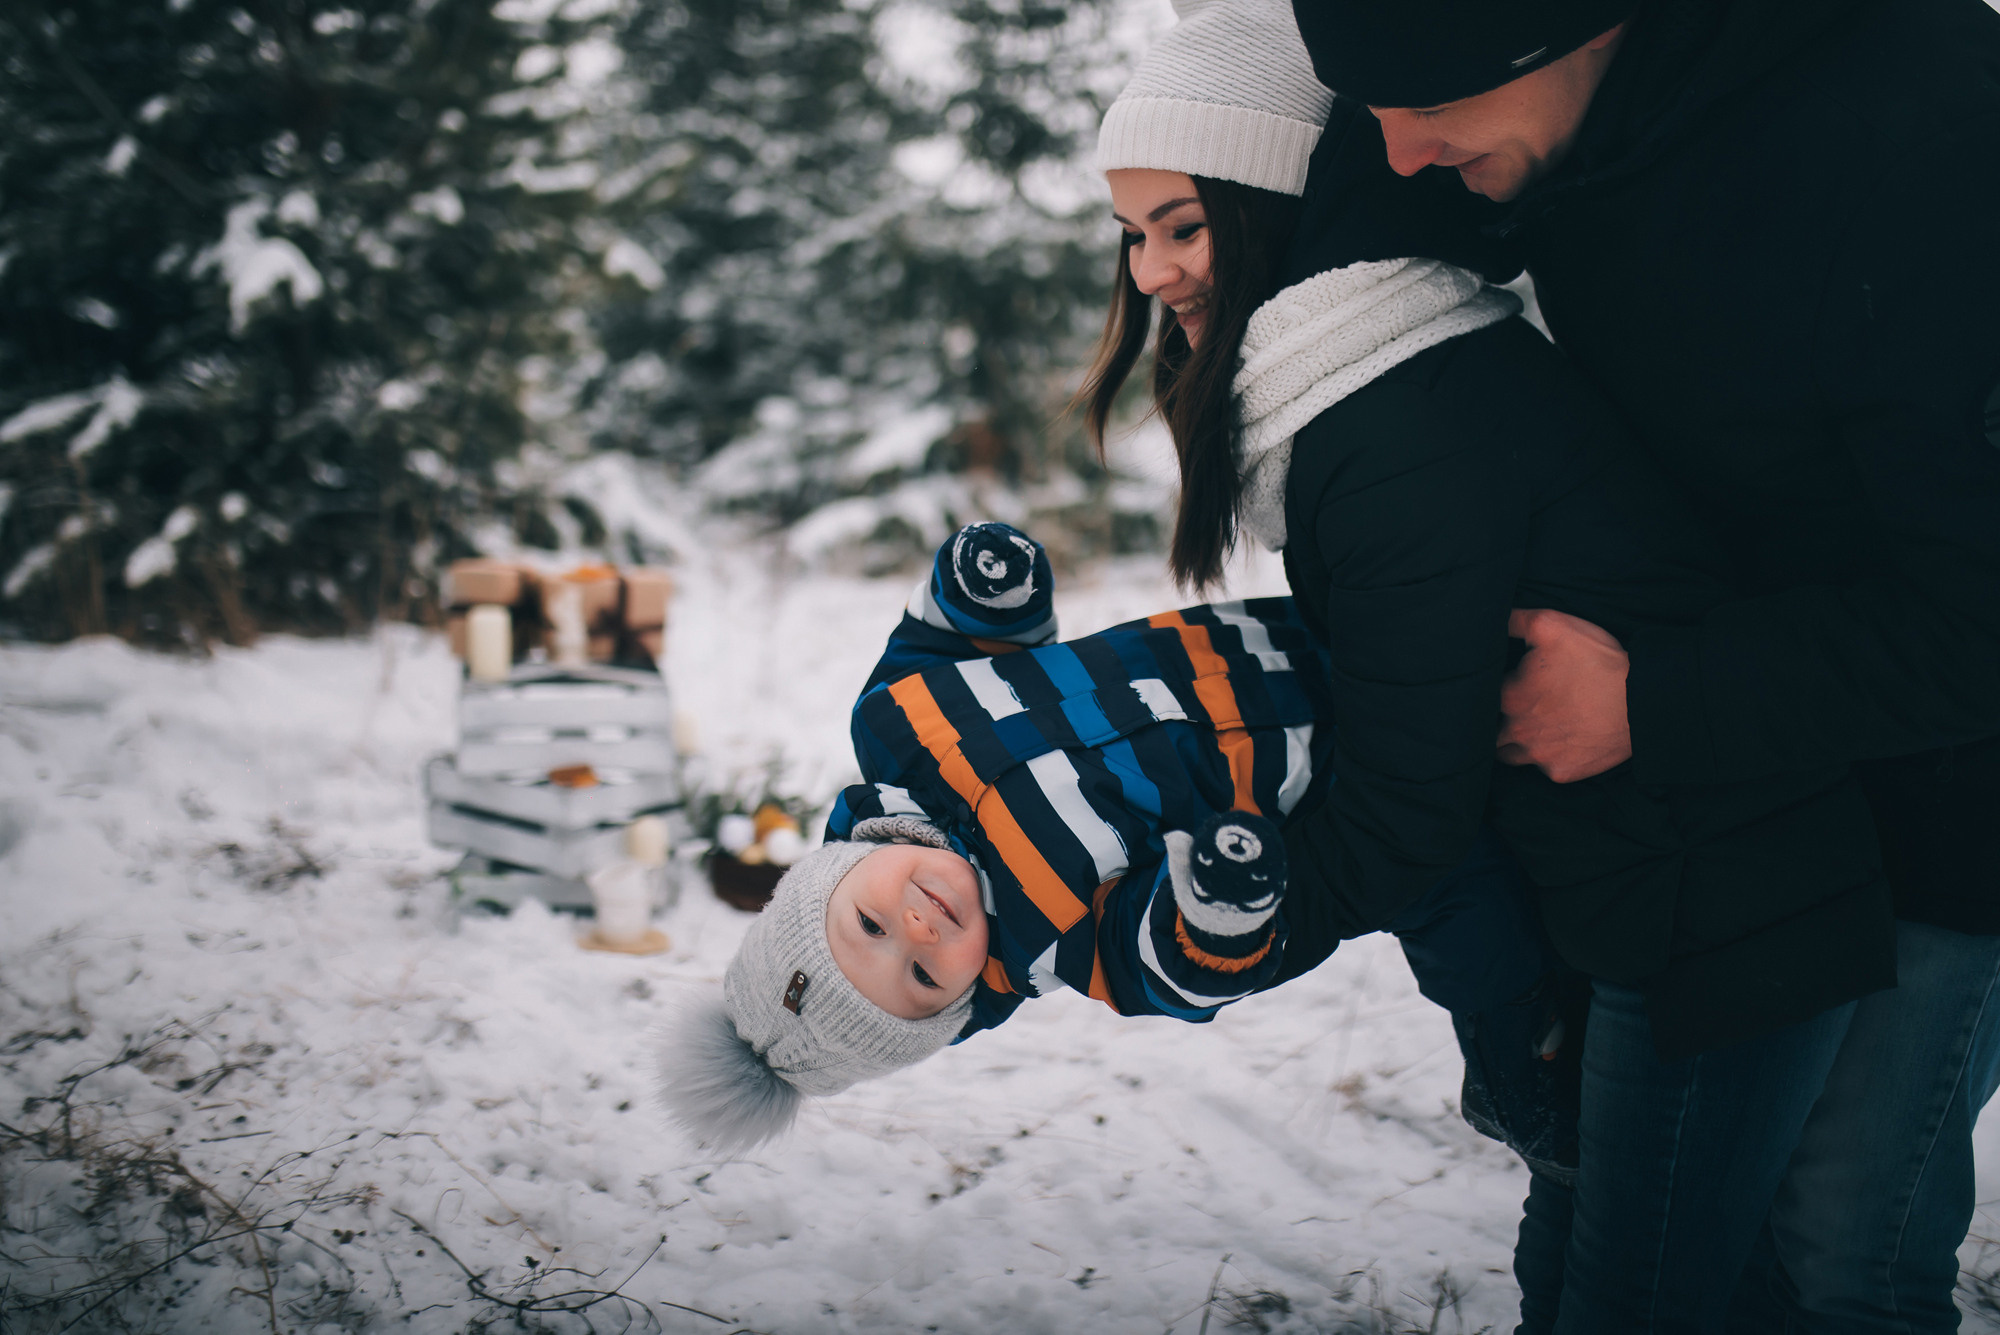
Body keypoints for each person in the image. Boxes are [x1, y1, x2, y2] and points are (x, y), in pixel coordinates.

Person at [1085, 0, 1897, 1329]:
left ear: (1279, 202)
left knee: (1632, 1302)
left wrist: (1217, 933)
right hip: (1647, 898)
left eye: (1182, 225)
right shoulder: (1363, 379)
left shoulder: (1395, 417)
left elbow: (1406, 803)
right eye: (1130, 234)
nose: (1152, 271)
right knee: (1616, 1286)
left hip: (1717, 915)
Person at [1288, 0, 2000, 1328]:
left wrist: (1654, 700)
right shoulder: (1519, 106)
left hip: (1953, 789)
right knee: (1711, 1243)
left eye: (1424, 105)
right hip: (1750, 776)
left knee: (1838, 1241)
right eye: (1366, 108)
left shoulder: (1926, 142)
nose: (1398, 154)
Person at [656, 521, 1574, 1166]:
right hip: (1349, 777)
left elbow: (951, 644)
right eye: (923, 977)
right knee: (1466, 908)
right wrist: (1212, 910)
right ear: (956, 1007)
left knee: (1451, 631)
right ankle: (1522, 1065)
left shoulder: (896, 727)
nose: (918, 930)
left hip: (1275, 646)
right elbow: (1171, 966)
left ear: (832, 871)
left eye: (868, 924)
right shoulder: (1058, 938)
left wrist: (981, 593)